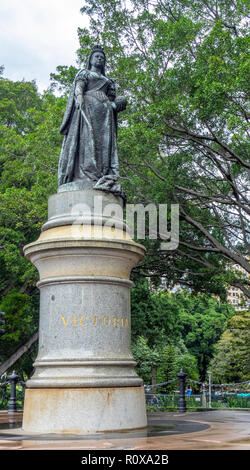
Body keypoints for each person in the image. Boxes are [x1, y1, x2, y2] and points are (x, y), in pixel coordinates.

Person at [58, 45, 127, 196]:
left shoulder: (108, 81)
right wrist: (79, 97)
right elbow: (79, 87)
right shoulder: (85, 73)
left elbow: (113, 100)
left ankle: (103, 174)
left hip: (105, 117)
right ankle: (85, 174)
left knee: (103, 146)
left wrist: (117, 103)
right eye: (96, 56)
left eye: (102, 57)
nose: (100, 59)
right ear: (90, 59)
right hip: (88, 111)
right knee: (87, 141)